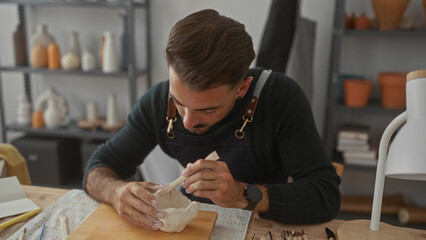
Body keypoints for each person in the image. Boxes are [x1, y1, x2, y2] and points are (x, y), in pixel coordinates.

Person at [84, 9, 341, 231]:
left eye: (207, 110)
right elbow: (99, 166)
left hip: (263, 226)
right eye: (179, 102)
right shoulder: (158, 101)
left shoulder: (279, 98)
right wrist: (115, 191)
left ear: (242, 89)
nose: (187, 122)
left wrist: (243, 194)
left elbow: (325, 195)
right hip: (194, 225)